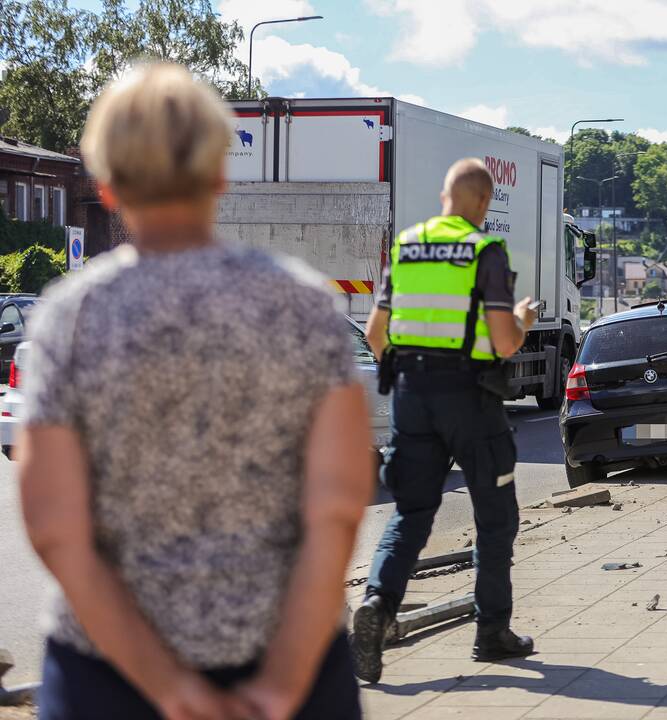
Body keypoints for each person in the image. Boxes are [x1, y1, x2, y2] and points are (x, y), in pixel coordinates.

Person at [19, 63, 374, 720]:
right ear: (218, 173)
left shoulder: (71, 319)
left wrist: (170, 688)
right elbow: (338, 508)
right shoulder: (305, 307)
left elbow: (57, 528)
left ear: (106, 184)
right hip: (291, 666)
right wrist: (282, 684)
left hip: (107, 678)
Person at [352, 158, 539, 684]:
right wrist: (522, 321)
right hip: (470, 395)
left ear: (444, 195)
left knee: (411, 512)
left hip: (411, 394)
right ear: (483, 201)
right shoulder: (485, 251)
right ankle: (491, 633)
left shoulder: (406, 247)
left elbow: (374, 335)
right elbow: (504, 343)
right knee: (494, 515)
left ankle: (377, 605)